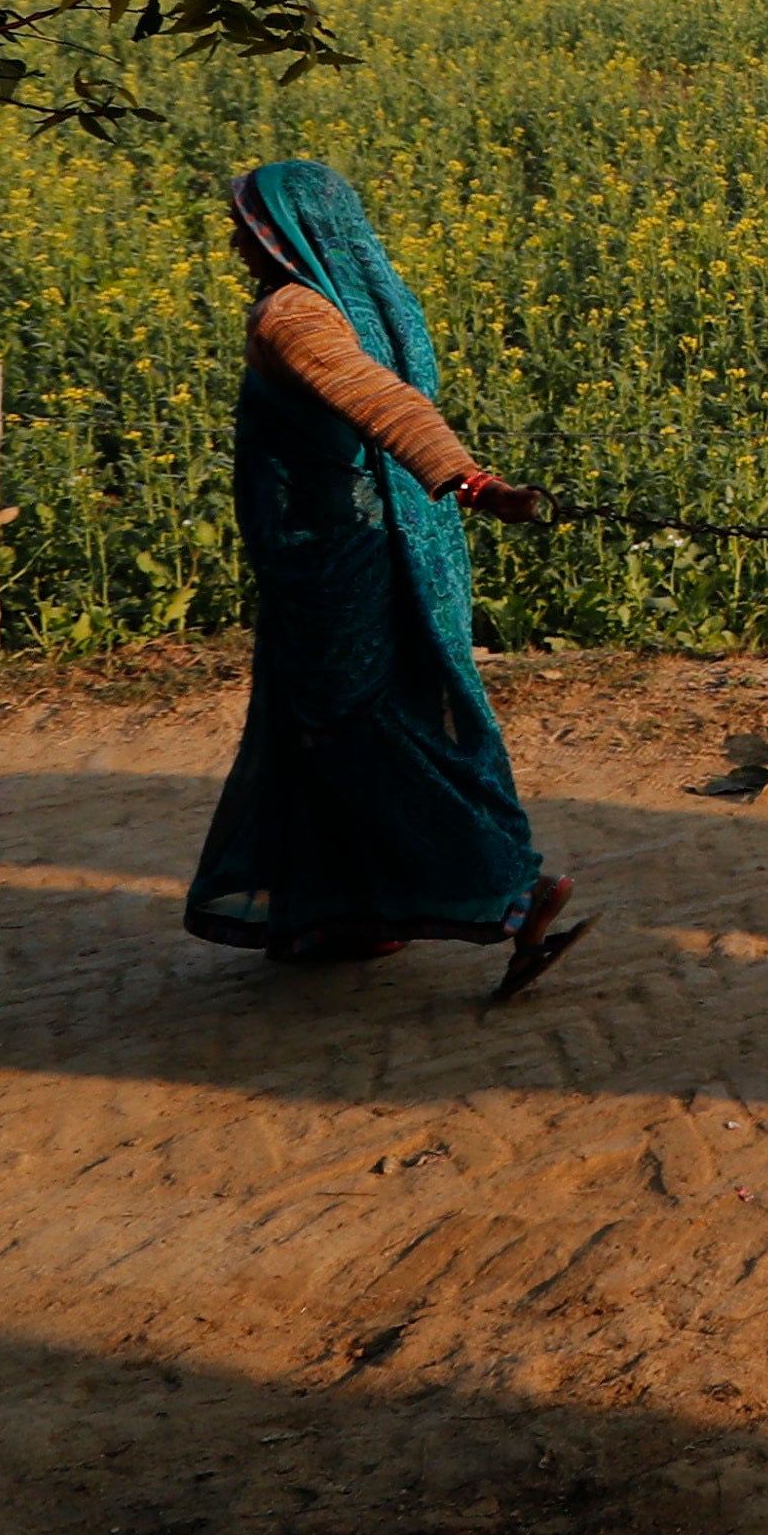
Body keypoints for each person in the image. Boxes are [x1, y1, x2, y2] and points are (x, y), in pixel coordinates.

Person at [181, 159, 594, 1001]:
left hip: (340, 553)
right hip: (414, 540)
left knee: (351, 723)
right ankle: (359, 910)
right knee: (384, 704)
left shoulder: (294, 312)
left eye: (247, 226)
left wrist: (472, 480)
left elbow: (373, 397)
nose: (236, 242)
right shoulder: (378, 297)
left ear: (280, 235)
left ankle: (509, 890)